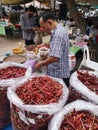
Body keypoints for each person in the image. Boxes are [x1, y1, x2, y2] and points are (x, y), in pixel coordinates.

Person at [35, 11, 70, 87]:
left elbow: (55, 58)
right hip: (61, 72)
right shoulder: (60, 29)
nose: (43, 29)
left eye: (44, 27)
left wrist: (41, 63)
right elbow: (57, 51)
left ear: (50, 22)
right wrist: (48, 54)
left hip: (59, 75)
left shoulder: (58, 34)